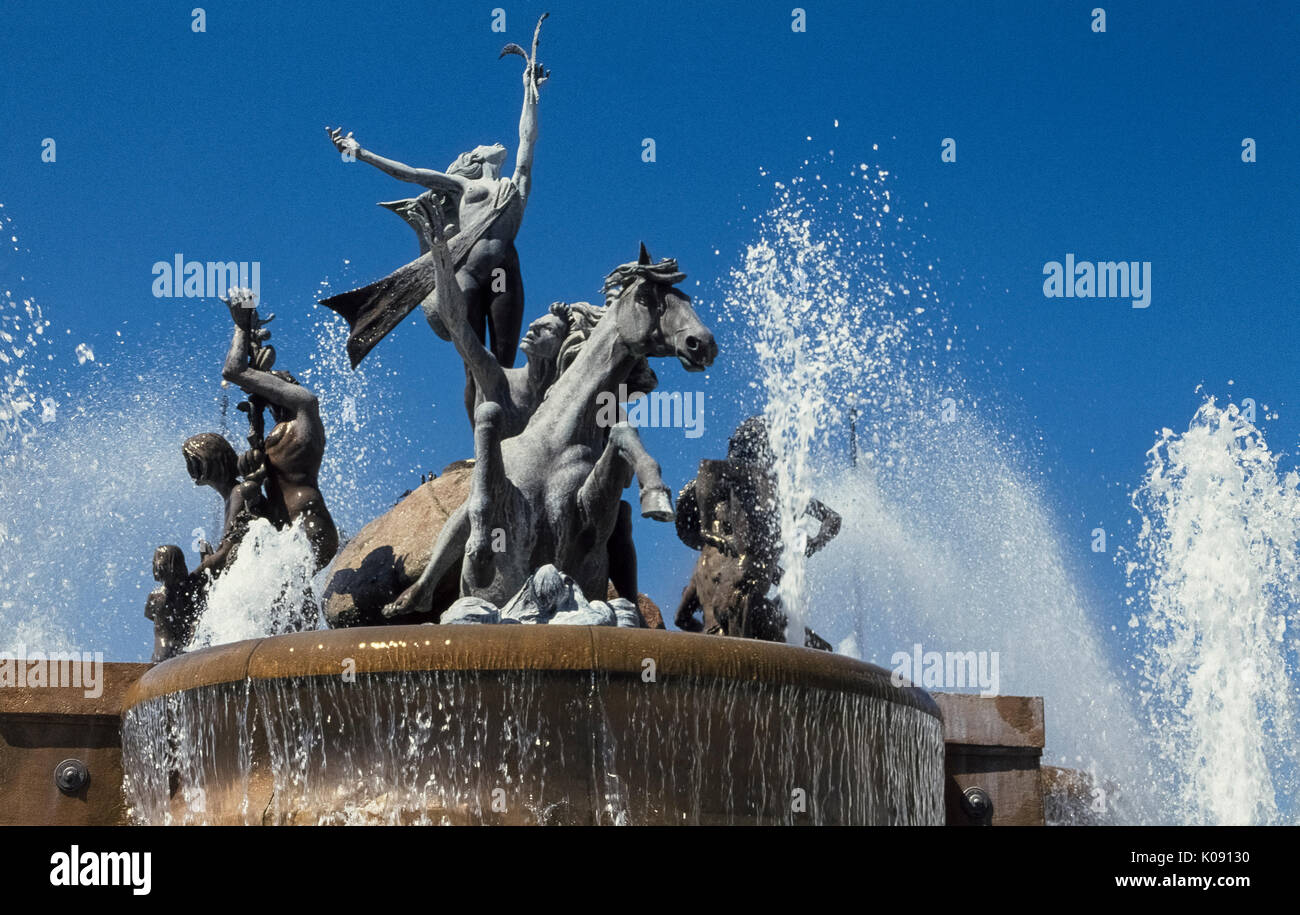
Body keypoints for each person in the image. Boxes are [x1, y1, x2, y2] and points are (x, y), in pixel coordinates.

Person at [324, 17, 549, 418]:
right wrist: (359, 152)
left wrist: (529, 92)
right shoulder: (463, 187)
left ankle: (504, 435)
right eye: (482, 145)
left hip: (504, 274)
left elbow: (527, 138)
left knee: (503, 361)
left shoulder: (517, 184)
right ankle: (478, 445)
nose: (492, 143)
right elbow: (408, 173)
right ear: (475, 159)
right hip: (466, 276)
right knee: (472, 368)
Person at [221, 290, 338, 571]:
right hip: (284, 526)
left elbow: (233, 370)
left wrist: (241, 326)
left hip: (308, 521)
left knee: (290, 595)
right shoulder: (276, 432)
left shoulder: (305, 408)